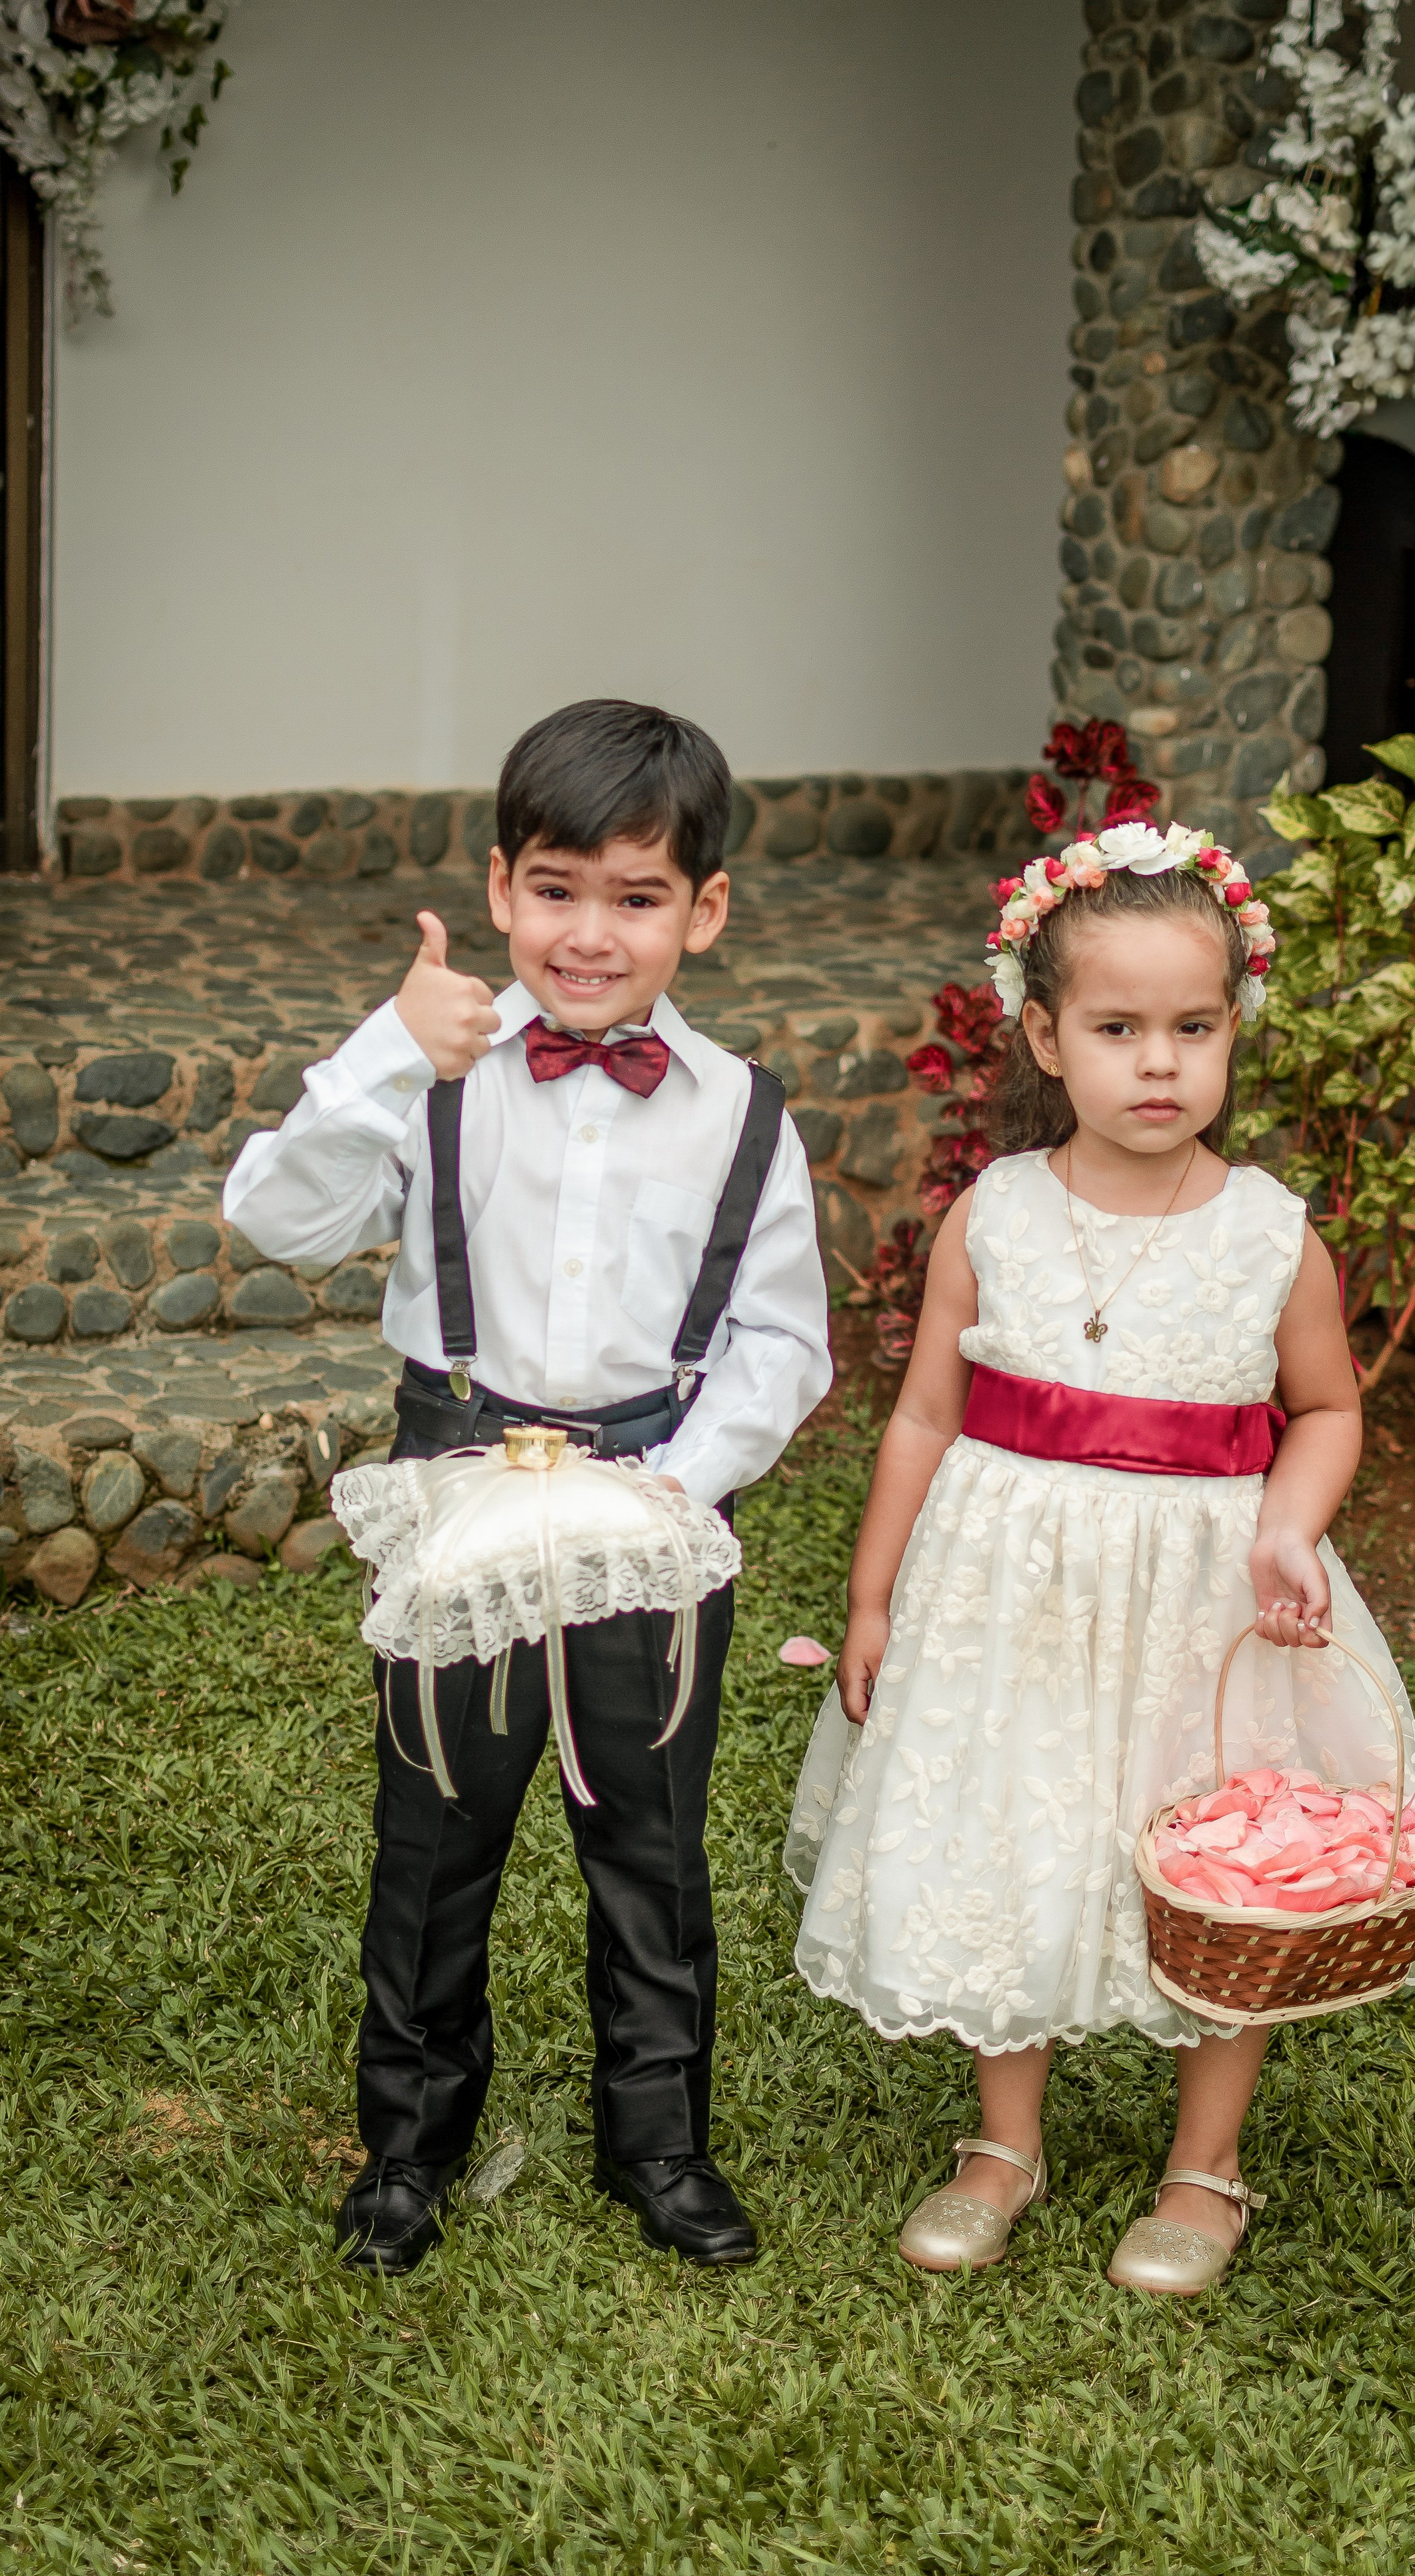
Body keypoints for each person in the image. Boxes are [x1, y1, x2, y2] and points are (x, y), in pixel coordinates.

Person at [784, 820, 1415, 2294]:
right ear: (1043, 1033)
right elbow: (919, 1412)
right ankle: (1002, 2140)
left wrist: (1290, 1520)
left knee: (1217, 1856)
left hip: (1198, 1591)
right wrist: (872, 1591)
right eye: (1116, 1027)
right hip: (1005, 1586)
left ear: (1231, 1031)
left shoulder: (1269, 1234)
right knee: (1001, 1826)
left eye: (1193, 1027)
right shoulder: (996, 1212)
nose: (1158, 1062)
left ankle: (1203, 2164)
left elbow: (1326, 1407)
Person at [227, 699, 831, 2275]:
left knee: (651, 1840)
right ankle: (409, 2146)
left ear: (703, 910)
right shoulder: (436, 1075)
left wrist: (673, 1494)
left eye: (637, 898)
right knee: (435, 1832)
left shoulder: (747, 1115)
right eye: (557, 889)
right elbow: (276, 1218)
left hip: (647, 1512)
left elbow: (780, 1344)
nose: (588, 933)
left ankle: (658, 2142)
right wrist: (379, 1053)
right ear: (499, 889)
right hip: (459, 1490)